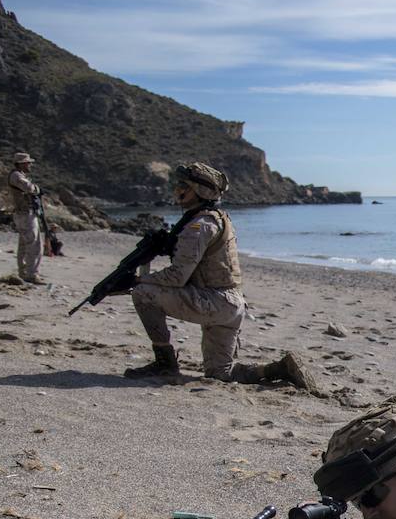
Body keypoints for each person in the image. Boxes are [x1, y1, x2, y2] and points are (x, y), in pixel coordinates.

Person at [123, 161, 320, 392]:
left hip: (214, 301)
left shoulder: (200, 225)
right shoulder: (216, 218)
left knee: (143, 294)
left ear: (198, 191)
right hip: (231, 304)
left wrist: (137, 280)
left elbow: (177, 276)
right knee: (220, 373)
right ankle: (279, 369)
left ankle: (165, 363)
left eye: (182, 185)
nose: (177, 190)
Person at [7, 152, 46, 284]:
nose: (30, 165)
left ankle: (24, 272)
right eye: (28, 163)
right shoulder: (16, 176)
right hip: (24, 214)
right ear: (22, 163)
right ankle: (31, 274)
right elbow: (29, 188)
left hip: (24, 213)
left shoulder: (18, 175)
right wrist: (37, 189)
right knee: (34, 245)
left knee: (24, 245)